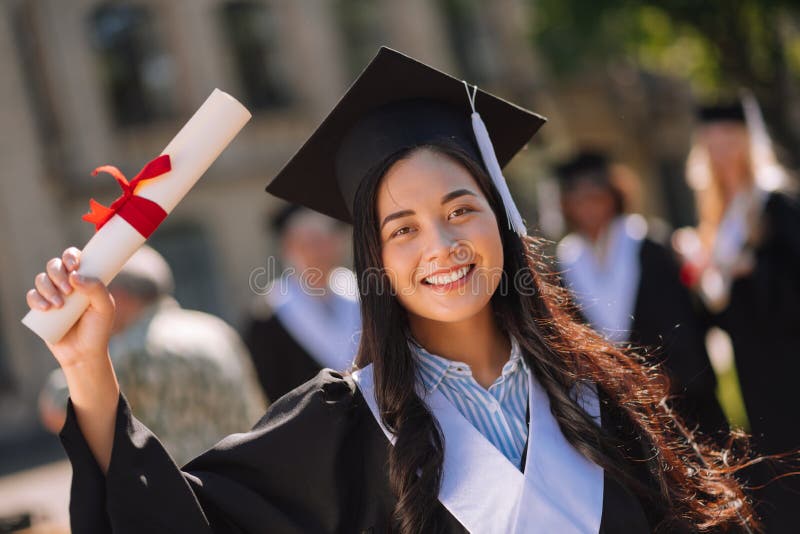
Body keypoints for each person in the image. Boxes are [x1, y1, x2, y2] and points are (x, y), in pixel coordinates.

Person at [26, 48, 761, 533]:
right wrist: (89, 364)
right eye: (401, 228)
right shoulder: (343, 430)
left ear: (502, 217)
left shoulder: (598, 395)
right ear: (374, 254)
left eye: (460, 210)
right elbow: (171, 523)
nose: (440, 247)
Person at [674, 98, 800, 532]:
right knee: (774, 460)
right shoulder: (718, 214)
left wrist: (751, 267)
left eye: (730, 141)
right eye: (711, 144)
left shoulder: (774, 203)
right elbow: (720, 310)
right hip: (751, 364)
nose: (721, 152)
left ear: (749, 142)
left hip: (789, 357)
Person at [37, 246, 266, 466]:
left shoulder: (128, 349)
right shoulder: (217, 330)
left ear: (117, 296)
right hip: (243, 484)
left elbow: (57, 411)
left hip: (180, 493)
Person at [554, 151, 728, 438]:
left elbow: (681, 320)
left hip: (675, 396)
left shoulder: (649, 246)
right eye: (578, 199)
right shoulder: (566, 263)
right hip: (618, 408)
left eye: (595, 195)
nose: (588, 206)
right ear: (566, 205)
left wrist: (669, 378)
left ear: (613, 195)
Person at [243, 204, 361, 401]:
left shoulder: (366, 298)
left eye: (327, 240)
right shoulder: (268, 315)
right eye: (310, 242)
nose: (321, 250)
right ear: (288, 248)